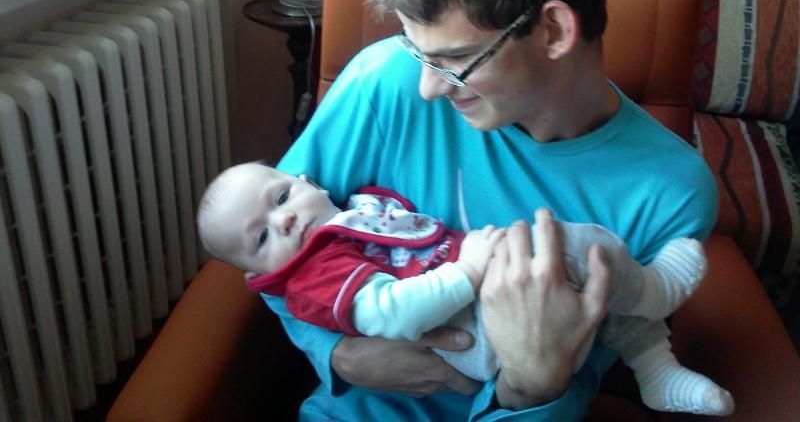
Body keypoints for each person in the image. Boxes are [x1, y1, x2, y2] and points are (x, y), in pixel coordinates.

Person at [263, 0, 720, 421]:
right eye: (416, 48)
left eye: (454, 59)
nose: (428, 87)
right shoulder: (385, 83)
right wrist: (338, 352)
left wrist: (531, 384)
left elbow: (585, 374)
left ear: (553, 31)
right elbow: (262, 245)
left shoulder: (669, 191)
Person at [198, 162, 733, 415]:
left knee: (585, 288)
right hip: (467, 334)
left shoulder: (358, 209)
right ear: (258, 275)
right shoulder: (316, 272)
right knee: (568, 246)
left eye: (282, 197)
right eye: (262, 237)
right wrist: (469, 272)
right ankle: (658, 290)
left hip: (496, 319)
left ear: (305, 181)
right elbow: (391, 312)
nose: (286, 219)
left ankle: (655, 368)